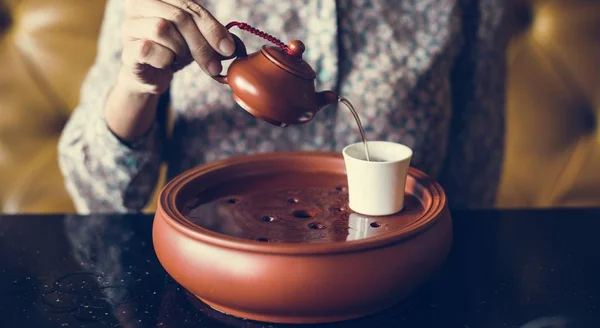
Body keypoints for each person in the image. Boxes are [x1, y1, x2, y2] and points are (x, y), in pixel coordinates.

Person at [58, 0, 508, 214]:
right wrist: (138, 87)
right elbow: (103, 196)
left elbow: (472, 181)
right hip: (213, 274)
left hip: (391, 278)